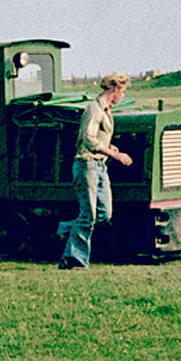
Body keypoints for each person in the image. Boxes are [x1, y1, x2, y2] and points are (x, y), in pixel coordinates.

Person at [58, 73, 133, 270]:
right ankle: (75, 260)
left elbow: (100, 137)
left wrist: (110, 147)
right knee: (88, 214)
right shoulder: (94, 109)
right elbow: (88, 139)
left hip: (101, 166)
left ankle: (65, 228)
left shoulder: (107, 110)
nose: (122, 96)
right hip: (87, 165)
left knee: (104, 213)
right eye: (122, 91)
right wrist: (115, 154)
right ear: (114, 88)